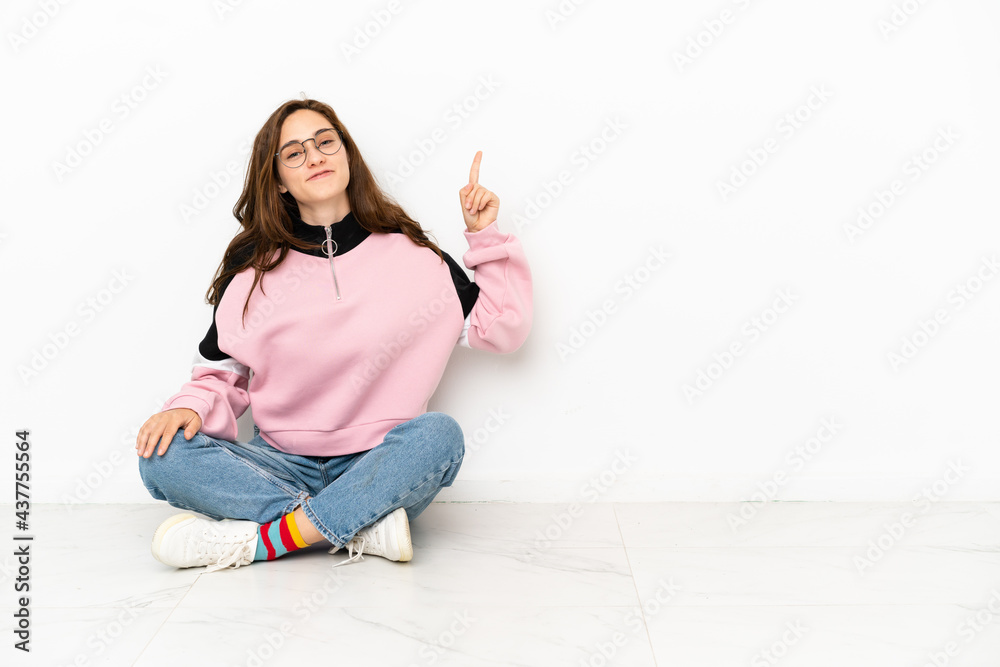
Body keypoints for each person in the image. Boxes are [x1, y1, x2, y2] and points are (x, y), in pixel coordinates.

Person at [135, 98, 533, 573]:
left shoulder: (418, 258)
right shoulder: (251, 273)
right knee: (162, 456)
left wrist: (485, 236)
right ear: (278, 180)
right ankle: (358, 525)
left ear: (346, 154)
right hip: (280, 465)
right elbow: (220, 375)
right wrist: (188, 408)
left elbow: (501, 328)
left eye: (325, 142)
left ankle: (265, 542)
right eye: (294, 152)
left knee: (439, 436)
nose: (315, 156)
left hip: (378, 465)